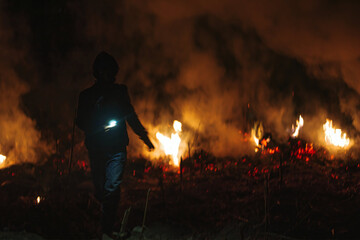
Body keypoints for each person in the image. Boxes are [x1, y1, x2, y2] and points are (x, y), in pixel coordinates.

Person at [76, 51, 154, 240]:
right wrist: (95, 124)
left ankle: (106, 230)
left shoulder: (120, 91)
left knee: (112, 187)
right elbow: (80, 121)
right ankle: (101, 222)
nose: (109, 76)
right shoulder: (87, 96)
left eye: (112, 72)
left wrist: (144, 138)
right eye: (105, 72)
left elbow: (130, 116)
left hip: (117, 149)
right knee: (101, 190)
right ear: (98, 73)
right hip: (96, 149)